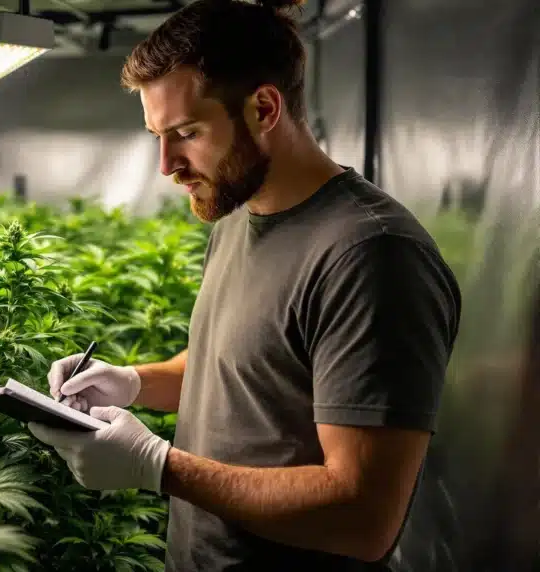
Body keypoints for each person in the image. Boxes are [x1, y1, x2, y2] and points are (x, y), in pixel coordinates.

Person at [26, 0, 463, 570]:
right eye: (157, 135)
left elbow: (363, 517)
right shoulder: (236, 214)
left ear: (263, 107)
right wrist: (132, 383)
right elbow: (237, 368)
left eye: (185, 132)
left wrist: (156, 466)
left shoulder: (372, 255)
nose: (166, 164)